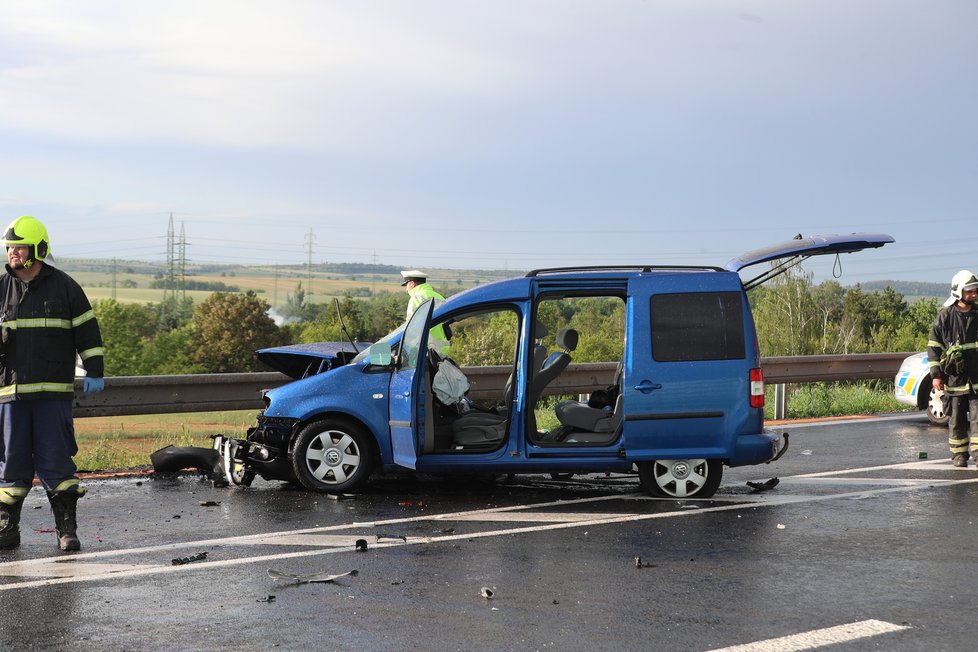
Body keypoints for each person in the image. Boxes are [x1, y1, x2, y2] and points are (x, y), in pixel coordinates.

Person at [0, 216, 105, 551]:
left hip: (53, 396)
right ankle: (6, 530)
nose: (13, 252)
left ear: (38, 249)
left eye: (20, 247)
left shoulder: (65, 287)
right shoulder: (0, 287)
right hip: (10, 396)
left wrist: (95, 369)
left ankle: (66, 532)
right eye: (11, 247)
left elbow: (87, 331)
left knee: (57, 464)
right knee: (10, 466)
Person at [928, 270, 978, 468]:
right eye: (970, 292)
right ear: (958, 292)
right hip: (954, 381)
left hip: (976, 380)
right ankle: (959, 455)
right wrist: (936, 376)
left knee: (977, 420)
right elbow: (933, 347)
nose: (974, 295)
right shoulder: (945, 317)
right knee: (956, 420)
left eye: (975, 291)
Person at [401, 270, 448, 350]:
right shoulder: (439, 297)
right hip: (444, 350)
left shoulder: (416, 297)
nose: (406, 289)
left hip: (426, 351)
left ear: (412, 284)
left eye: (406, 285)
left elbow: (411, 327)